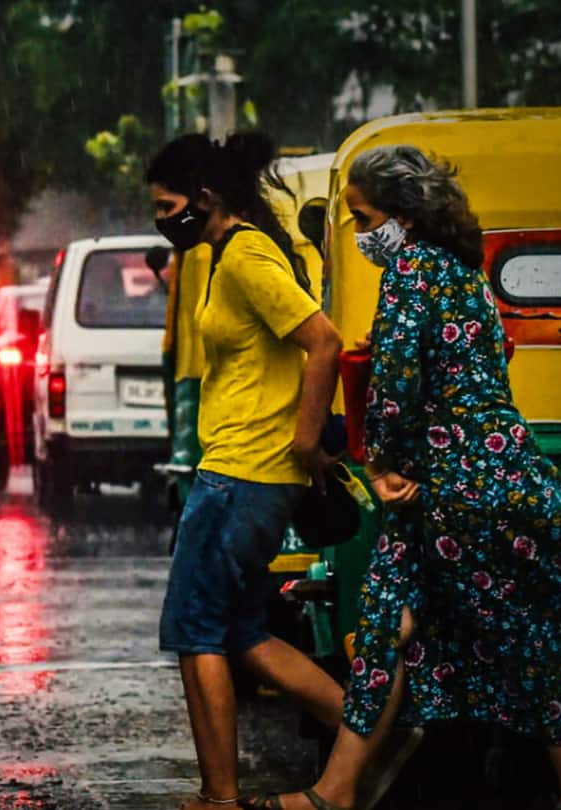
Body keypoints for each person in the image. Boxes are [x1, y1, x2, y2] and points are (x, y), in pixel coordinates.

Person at [248, 146, 561, 810]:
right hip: (503, 473)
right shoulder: (464, 273)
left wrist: (379, 463)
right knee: (465, 626)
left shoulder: (412, 269)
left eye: (363, 219)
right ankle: (340, 790)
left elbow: (394, 384)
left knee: (500, 627)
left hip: (455, 490)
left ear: (403, 217)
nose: (361, 235)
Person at [147, 133, 346, 810]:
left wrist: (306, 439)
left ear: (205, 198)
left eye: (166, 205)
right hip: (246, 470)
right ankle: (368, 729)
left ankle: (220, 795)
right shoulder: (234, 253)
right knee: (240, 633)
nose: (160, 220)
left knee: (194, 629)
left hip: (241, 471)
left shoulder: (244, 256)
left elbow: (323, 341)